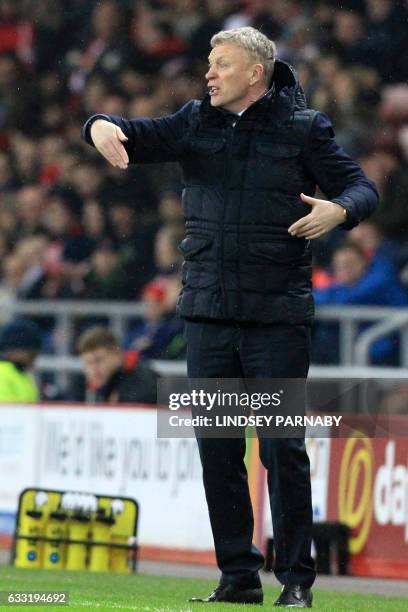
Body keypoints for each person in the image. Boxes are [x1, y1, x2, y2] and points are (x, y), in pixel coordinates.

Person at [82, 27, 378, 609]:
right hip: (209, 316)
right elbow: (131, 131)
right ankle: (238, 577)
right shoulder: (196, 121)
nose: (209, 74)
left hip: (275, 317)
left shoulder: (303, 128)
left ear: (255, 73)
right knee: (218, 447)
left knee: (280, 446)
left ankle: (296, 580)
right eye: (209, 64)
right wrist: (97, 125)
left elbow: (360, 185)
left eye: (221, 65)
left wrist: (340, 210)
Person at [76, 326, 157, 404]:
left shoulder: (146, 382)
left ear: (117, 355)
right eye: (88, 363)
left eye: (98, 360)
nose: (93, 368)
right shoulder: (82, 386)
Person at [0, 318, 42, 402]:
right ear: (13, 350)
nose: (34, 359)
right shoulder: (3, 373)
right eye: (31, 354)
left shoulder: (21, 374)